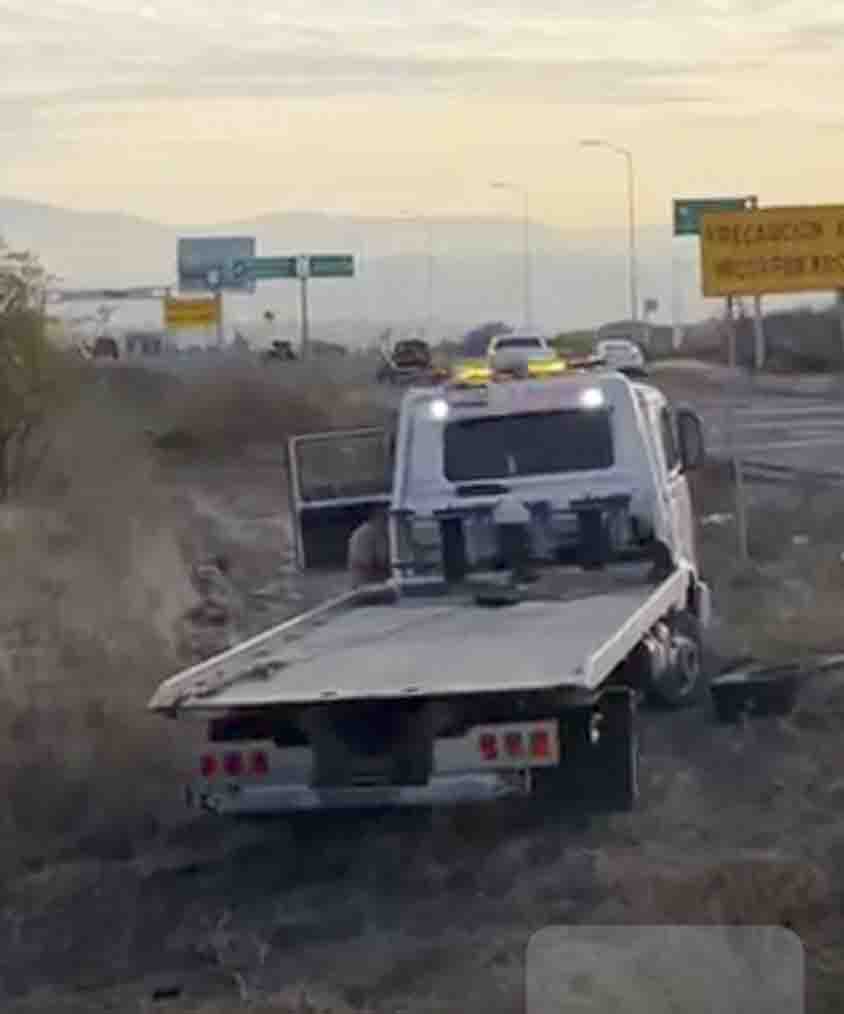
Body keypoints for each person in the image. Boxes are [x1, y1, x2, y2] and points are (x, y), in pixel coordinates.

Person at [347, 506, 390, 587]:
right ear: (377, 516)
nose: (387, 521)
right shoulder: (367, 533)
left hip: (372, 583)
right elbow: (378, 560)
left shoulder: (377, 532)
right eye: (385, 517)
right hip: (366, 585)